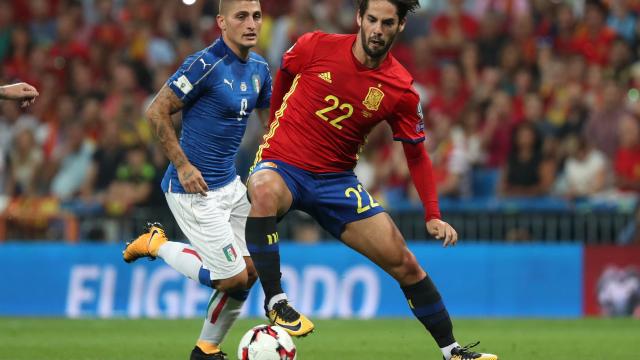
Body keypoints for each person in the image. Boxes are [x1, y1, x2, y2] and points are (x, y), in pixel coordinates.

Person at [245, 1, 498, 359]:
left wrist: (432, 213)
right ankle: (276, 299)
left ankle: (452, 351)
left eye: (387, 22)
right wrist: (273, 125)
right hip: (284, 163)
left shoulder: (401, 89)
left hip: (336, 182)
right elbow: (284, 72)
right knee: (263, 191)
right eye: (373, 20)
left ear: (401, 26)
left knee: (405, 262)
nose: (378, 29)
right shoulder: (315, 45)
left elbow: (416, 153)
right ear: (360, 18)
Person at [122, 1, 271, 359]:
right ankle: (156, 243)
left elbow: (272, 127)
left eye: (256, 16)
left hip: (231, 186)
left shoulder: (262, 69)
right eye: (241, 17)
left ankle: (206, 349)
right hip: (192, 189)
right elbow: (156, 111)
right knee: (231, 277)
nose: (251, 24)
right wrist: (184, 165)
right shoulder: (204, 64)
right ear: (222, 22)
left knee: (250, 273)